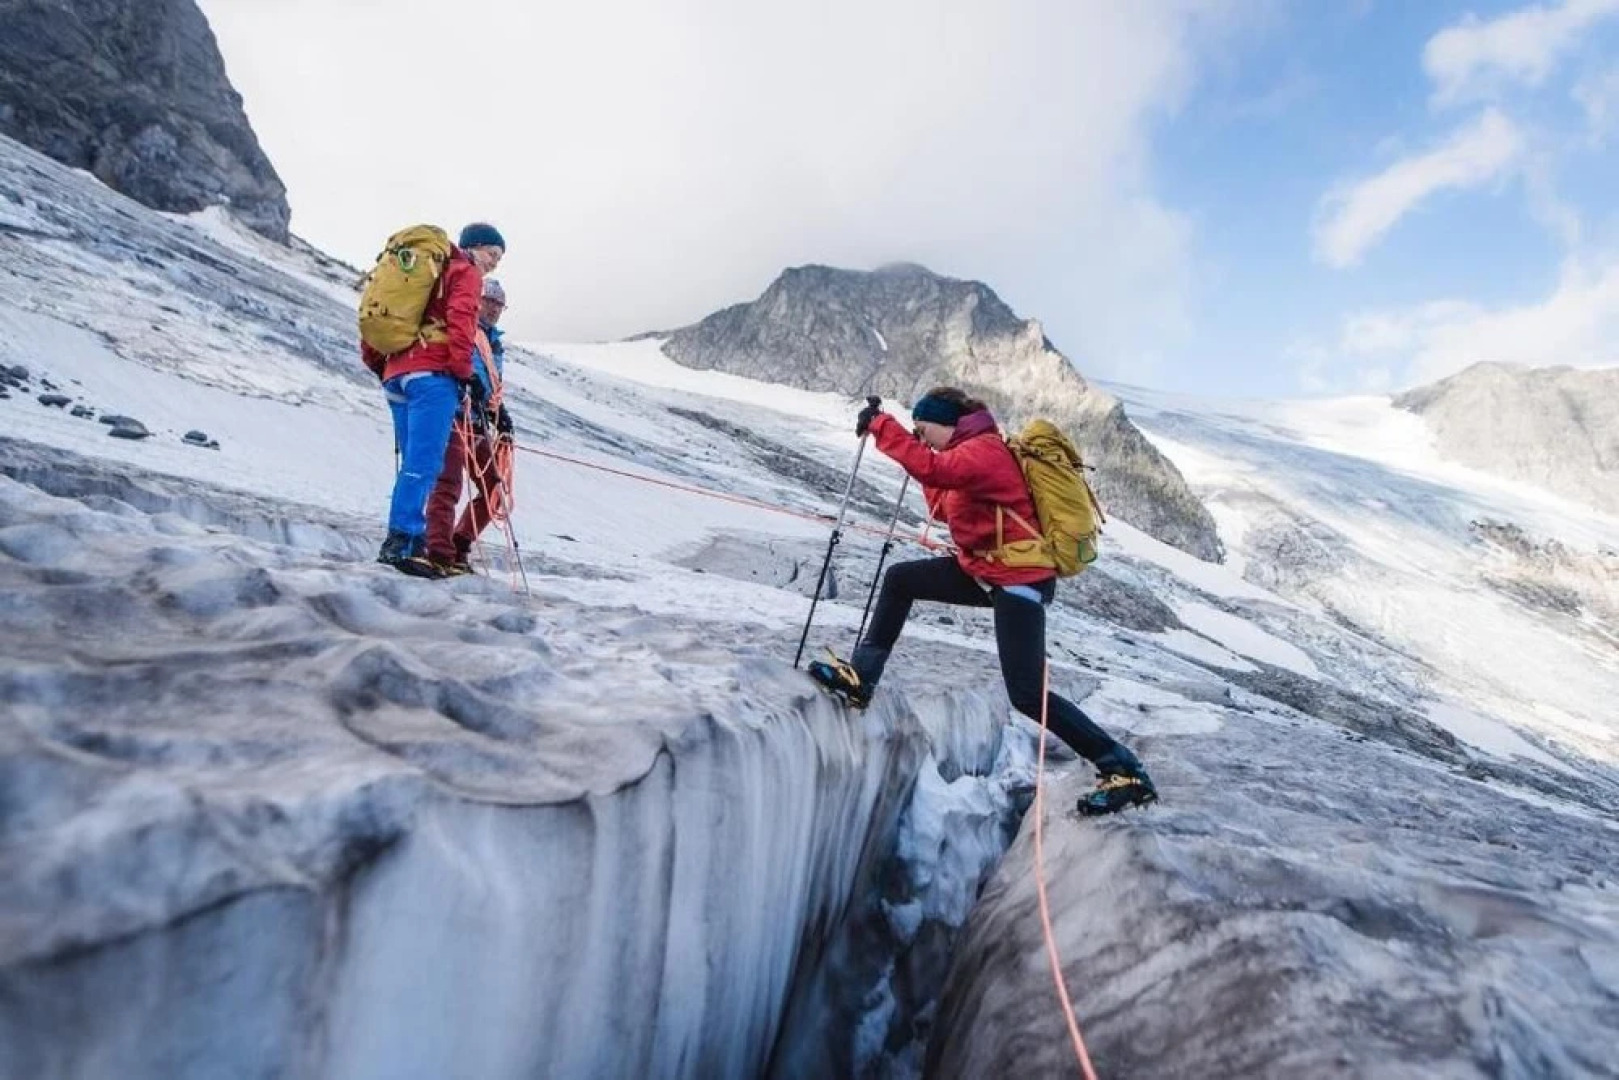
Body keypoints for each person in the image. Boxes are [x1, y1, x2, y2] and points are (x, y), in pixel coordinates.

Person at [809, 388, 1158, 816]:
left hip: (1017, 579)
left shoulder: (983, 450)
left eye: (924, 431)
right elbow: (942, 500)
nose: (922, 439)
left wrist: (885, 429)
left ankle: (1123, 768)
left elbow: (936, 469)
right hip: (987, 570)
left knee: (1027, 694)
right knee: (901, 580)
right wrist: (921, 463)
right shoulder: (968, 454)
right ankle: (861, 680)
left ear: (946, 422)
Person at [364, 223, 506, 577]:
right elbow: (461, 324)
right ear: (473, 247)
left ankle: (407, 543)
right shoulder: (464, 272)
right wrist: (463, 373)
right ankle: (403, 545)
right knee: (425, 466)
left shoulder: (426, 274)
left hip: (397, 375)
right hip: (434, 377)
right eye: (492, 254)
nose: (494, 264)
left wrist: (385, 367)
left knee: (415, 463)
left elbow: (375, 319)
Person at [424, 277, 513, 575]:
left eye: (500, 304)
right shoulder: (464, 329)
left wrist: (500, 412)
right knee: (448, 484)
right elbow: (456, 363)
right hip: (454, 415)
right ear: (477, 299)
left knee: (495, 490)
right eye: (490, 301)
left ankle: (459, 544)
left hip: (478, 421)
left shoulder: (494, 342)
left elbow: (488, 382)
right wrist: (468, 386)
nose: (495, 309)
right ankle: (438, 551)